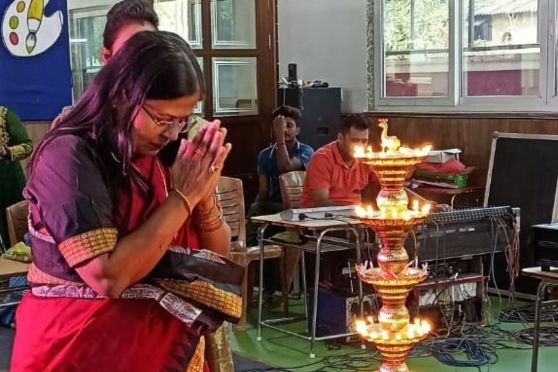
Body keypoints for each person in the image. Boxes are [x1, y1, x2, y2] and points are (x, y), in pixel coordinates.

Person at [11, 31, 233, 371]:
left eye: (182, 120)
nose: (173, 133)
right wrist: (183, 197)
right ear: (121, 96)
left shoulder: (167, 152)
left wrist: (202, 196)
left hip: (163, 338)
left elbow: (215, 257)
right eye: (162, 119)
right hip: (82, 344)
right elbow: (107, 277)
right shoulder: (67, 157)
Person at [246, 105, 314, 246]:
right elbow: (263, 191)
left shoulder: (306, 151)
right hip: (275, 205)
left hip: (300, 207)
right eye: (280, 127)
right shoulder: (265, 155)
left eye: (289, 126)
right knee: (256, 209)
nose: (285, 130)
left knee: (259, 210)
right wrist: (253, 211)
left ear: (298, 130)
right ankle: (251, 253)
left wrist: (280, 140)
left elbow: (286, 168)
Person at [301, 114, 377, 208]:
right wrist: (354, 210)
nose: (360, 146)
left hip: (355, 216)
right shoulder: (322, 158)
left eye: (364, 141)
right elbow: (321, 202)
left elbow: (385, 181)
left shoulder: (366, 158)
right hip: (319, 217)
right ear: (340, 138)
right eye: (355, 140)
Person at [0, 107, 32, 249]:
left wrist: (7, 152)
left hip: (8, 182)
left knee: (14, 231)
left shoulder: (5, 115)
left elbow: (27, 146)